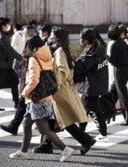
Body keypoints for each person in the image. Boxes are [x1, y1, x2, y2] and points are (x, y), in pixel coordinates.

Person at [9, 36, 74, 162]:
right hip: (44, 96)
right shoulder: (46, 56)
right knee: (26, 124)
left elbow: (34, 80)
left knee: (43, 129)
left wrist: (24, 93)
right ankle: (23, 151)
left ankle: (65, 149)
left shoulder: (34, 59)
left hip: (37, 98)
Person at [38, 27, 96, 155]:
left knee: (65, 120)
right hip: (62, 90)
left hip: (60, 91)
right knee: (52, 118)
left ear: (57, 37)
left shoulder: (59, 51)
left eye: (52, 36)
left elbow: (62, 70)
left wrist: (54, 85)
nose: (50, 38)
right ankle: (46, 144)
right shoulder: (61, 49)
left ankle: (86, 140)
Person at [0, 25, 37, 135]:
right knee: (23, 106)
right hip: (28, 84)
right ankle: (14, 126)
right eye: (23, 34)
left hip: (32, 85)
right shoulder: (29, 49)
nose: (23, 36)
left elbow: (33, 73)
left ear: (30, 34)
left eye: (25, 34)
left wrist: (26, 88)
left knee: (42, 118)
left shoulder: (34, 50)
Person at [74, 28, 109, 142]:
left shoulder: (91, 55)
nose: (79, 40)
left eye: (81, 38)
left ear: (86, 40)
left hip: (92, 86)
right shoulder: (98, 48)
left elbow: (79, 68)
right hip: (96, 83)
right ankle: (80, 132)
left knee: (93, 108)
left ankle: (103, 134)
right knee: (84, 109)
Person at [0, 17, 22, 111]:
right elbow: (9, 50)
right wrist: (20, 57)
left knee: (13, 80)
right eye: (7, 24)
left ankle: (16, 103)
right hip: (2, 64)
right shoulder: (2, 36)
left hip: (3, 63)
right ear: (3, 26)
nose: (9, 26)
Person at [106, 25, 128, 126]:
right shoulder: (124, 43)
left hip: (118, 70)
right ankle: (106, 112)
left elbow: (112, 61)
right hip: (125, 70)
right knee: (112, 92)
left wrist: (106, 57)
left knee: (122, 95)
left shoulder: (114, 45)